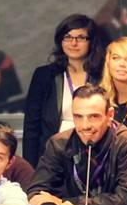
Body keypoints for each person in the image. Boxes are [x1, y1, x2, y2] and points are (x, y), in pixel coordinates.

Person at [27, 84, 127, 205]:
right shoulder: (59, 143)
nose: (85, 125)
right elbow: (35, 194)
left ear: (110, 115)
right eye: (78, 117)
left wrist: (66, 202)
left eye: (93, 116)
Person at [23, 14, 105, 167]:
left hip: (94, 154)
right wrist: (31, 168)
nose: (73, 43)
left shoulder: (102, 75)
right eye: (68, 37)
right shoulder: (44, 76)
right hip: (53, 156)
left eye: (81, 37)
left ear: (91, 42)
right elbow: (31, 127)